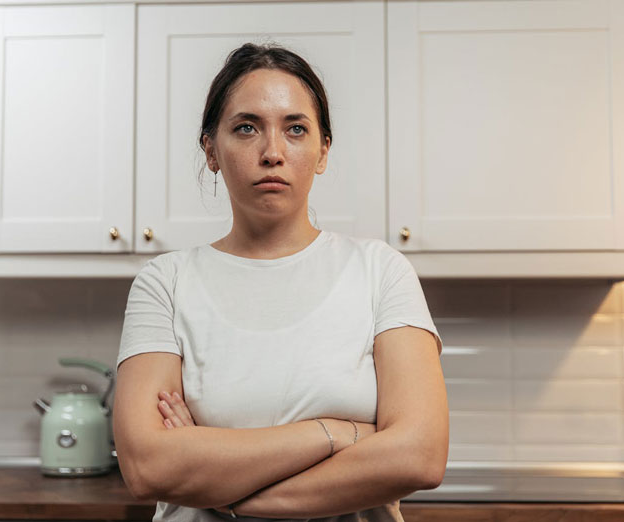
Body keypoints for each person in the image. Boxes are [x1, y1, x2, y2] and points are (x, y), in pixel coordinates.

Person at [113, 42, 448, 522]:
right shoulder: (164, 283)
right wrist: (338, 434)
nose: (272, 152)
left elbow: (419, 456)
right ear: (210, 149)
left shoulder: (380, 270)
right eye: (246, 128)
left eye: (295, 129)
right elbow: (148, 467)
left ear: (322, 151)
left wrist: (218, 484)